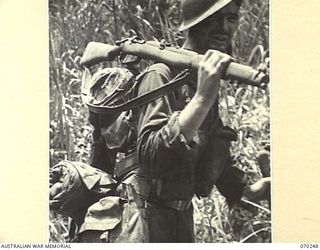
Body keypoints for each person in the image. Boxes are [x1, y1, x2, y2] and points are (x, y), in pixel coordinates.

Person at [78, 0, 270, 243]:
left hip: (178, 219)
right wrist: (201, 98)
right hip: (140, 218)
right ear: (194, 22)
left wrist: (248, 191)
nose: (224, 27)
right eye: (213, 18)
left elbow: (211, 145)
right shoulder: (161, 75)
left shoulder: (197, 80)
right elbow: (152, 158)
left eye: (231, 18)